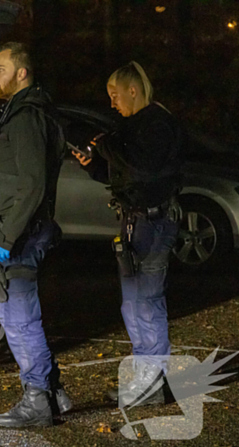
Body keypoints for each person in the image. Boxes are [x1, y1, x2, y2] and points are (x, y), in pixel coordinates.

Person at [73, 61, 182, 407]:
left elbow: (143, 167)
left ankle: (151, 383)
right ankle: (147, 380)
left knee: (146, 303)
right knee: (134, 305)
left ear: (132, 91)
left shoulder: (157, 124)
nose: (112, 103)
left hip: (153, 223)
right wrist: (94, 166)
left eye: (115, 95)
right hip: (137, 222)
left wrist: (106, 146)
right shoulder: (137, 126)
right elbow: (124, 172)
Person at [0, 42, 72, 428]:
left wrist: (6, 238)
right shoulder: (20, 113)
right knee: (20, 316)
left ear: (22, 73)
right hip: (20, 230)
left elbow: (32, 184)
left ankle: (37, 400)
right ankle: (54, 394)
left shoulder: (26, 117)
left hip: (20, 234)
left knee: (19, 319)